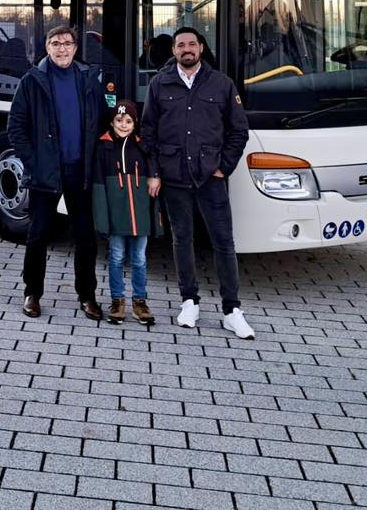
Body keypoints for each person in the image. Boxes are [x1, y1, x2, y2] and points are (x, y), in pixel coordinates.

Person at [139, 26, 255, 339]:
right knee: (182, 239)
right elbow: (147, 131)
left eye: (192, 44)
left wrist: (224, 167)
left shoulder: (221, 84)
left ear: (201, 48)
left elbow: (238, 131)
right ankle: (189, 302)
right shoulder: (159, 84)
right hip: (174, 177)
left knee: (223, 242)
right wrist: (155, 171)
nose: (186, 49)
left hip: (210, 178)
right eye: (180, 45)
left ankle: (232, 310)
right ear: (174, 51)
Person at [7, 23, 104, 321]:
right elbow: (16, 128)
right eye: (55, 43)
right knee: (38, 234)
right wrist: (33, 163)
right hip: (46, 172)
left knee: (85, 236)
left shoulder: (88, 79)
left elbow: (100, 121)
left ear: (75, 48)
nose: (62, 48)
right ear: (47, 47)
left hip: (80, 171)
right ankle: (32, 293)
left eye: (67, 43)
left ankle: (87, 295)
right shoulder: (32, 81)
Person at [92, 99, 159, 326]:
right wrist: (102, 219)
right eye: (119, 120)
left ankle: (140, 301)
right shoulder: (103, 147)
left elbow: (154, 175)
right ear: (112, 122)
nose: (124, 125)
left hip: (139, 214)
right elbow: (99, 185)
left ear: (135, 122)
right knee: (117, 257)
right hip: (116, 215)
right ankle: (117, 300)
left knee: (139, 259)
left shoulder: (142, 147)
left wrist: (155, 176)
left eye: (128, 121)